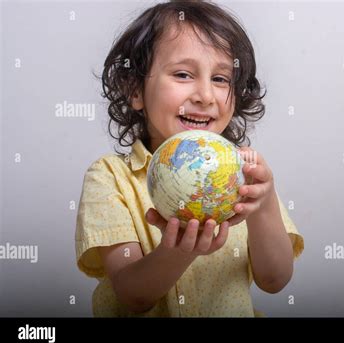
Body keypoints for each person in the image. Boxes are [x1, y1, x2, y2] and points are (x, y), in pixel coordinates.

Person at [75, 0, 304, 317]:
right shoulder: (109, 177)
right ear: (135, 90)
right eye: (183, 74)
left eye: (221, 79)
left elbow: (275, 279)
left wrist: (263, 206)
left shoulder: (245, 176)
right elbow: (132, 295)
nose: (205, 96)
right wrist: (178, 251)